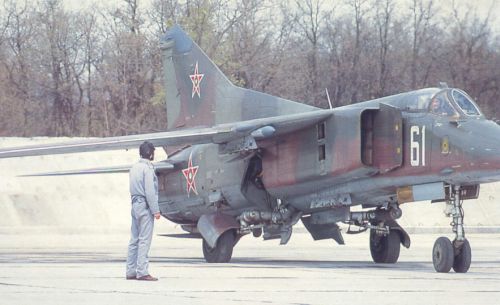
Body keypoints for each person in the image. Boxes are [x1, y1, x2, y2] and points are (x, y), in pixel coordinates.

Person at [126, 141, 161, 281]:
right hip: (144, 205)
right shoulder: (148, 169)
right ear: (150, 153)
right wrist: (155, 210)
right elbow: (150, 191)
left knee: (134, 239)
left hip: (134, 204)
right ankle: (142, 271)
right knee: (144, 240)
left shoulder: (133, 168)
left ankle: (130, 270)